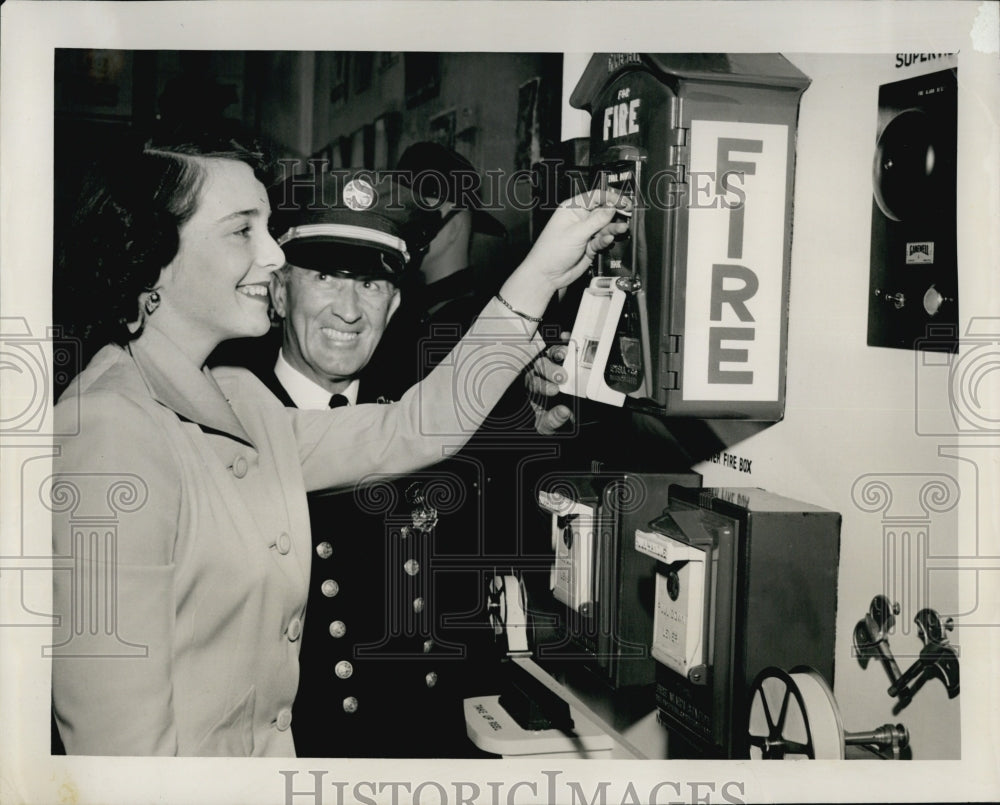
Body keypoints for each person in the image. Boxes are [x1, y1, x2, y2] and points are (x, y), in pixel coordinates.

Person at [49, 132, 627, 757]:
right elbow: (120, 754)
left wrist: (542, 267)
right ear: (155, 253)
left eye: (269, 229)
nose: (273, 257)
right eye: (243, 231)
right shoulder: (108, 430)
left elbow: (414, 427)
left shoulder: (236, 397)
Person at [257, 168, 481, 757]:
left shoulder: (426, 431)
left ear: (397, 303)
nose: (349, 310)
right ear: (279, 292)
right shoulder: (232, 433)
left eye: (372, 285)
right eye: (326, 277)